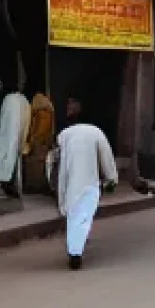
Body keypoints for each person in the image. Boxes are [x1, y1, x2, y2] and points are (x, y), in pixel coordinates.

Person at [55, 107, 117, 269]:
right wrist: (111, 178)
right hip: (90, 181)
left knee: (73, 216)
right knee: (84, 216)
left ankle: (75, 250)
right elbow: (107, 156)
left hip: (69, 181)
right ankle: (76, 251)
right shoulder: (96, 132)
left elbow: (58, 160)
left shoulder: (64, 135)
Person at [0, 81, 31, 198]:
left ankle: (4, 182)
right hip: (17, 138)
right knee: (14, 160)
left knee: (6, 156)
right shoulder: (23, 99)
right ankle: (12, 186)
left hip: (8, 138)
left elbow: (5, 126)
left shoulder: (9, 100)